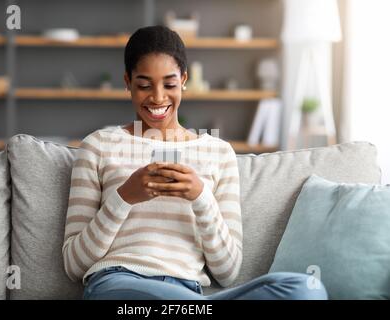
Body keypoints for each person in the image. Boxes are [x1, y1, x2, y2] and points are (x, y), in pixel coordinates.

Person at [62, 25, 328, 300]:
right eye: (143, 85)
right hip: (120, 285)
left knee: (304, 290)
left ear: (184, 80)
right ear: (127, 82)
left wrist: (201, 197)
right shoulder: (99, 146)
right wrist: (125, 197)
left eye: (169, 84)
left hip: (189, 293)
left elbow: (227, 271)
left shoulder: (218, 153)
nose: (157, 97)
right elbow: (74, 264)